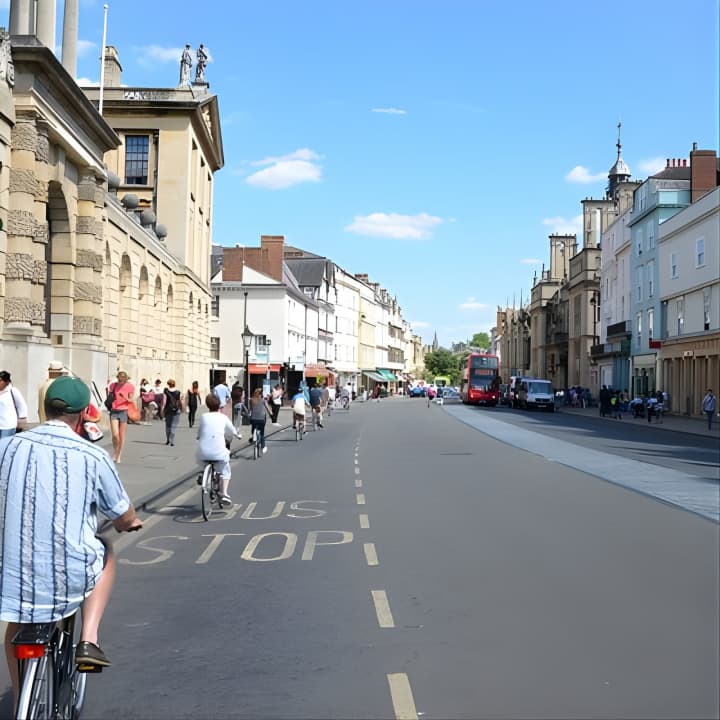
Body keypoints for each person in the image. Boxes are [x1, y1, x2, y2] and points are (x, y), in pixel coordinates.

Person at [0, 375, 142, 703]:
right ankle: (89, 639)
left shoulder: (7, 448)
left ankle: (22, 699)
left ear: (45, 408)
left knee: (17, 625)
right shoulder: (93, 456)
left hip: (14, 574)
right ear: (81, 417)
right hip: (68, 575)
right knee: (105, 551)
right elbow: (122, 514)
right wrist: (130, 523)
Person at [196, 393, 238, 505]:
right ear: (219, 405)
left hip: (203, 452)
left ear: (207, 405)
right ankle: (224, 493)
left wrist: (198, 436)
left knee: (200, 458)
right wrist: (237, 435)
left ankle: (202, 473)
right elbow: (232, 430)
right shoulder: (223, 417)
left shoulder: (204, 417)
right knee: (225, 470)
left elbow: (200, 432)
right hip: (218, 452)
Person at [106, 371, 134, 463]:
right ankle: (115, 452)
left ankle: (119, 455)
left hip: (123, 411)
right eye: (119, 379)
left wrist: (125, 397)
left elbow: (131, 400)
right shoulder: (113, 385)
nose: (121, 381)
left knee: (121, 436)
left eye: (123, 380)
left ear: (126, 379)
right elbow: (109, 395)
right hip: (114, 411)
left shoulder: (130, 386)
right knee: (115, 435)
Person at [0, 371, 28, 438]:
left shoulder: (13, 391)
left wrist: (21, 422)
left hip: (8, 426)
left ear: (7, 382)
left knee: (5, 443)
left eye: (0, 381)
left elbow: (21, 406)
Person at [248, 387, 269, 453]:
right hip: (261, 419)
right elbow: (268, 408)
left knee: (253, 428)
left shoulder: (251, 400)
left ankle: (253, 436)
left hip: (253, 419)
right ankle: (263, 446)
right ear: (261, 394)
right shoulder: (263, 400)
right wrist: (272, 414)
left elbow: (250, 409)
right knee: (262, 433)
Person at [163, 379, 182, 445]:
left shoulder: (166, 391)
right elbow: (179, 401)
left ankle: (168, 440)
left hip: (168, 409)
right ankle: (172, 441)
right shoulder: (178, 392)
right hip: (176, 410)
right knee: (173, 426)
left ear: (168, 384)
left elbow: (164, 401)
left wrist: (163, 410)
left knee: (168, 425)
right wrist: (181, 408)